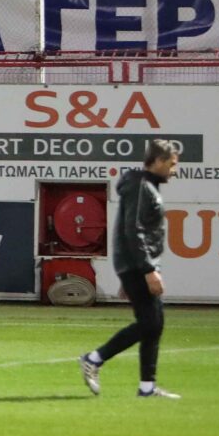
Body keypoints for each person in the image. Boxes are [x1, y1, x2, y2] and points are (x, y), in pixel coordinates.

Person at [80, 139, 182, 401]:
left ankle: (147, 388)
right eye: (171, 164)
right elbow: (133, 230)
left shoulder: (144, 186)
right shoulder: (140, 187)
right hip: (138, 265)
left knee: (154, 325)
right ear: (158, 161)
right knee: (150, 323)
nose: (174, 170)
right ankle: (94, 358)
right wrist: (147, 269)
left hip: (136, 265)